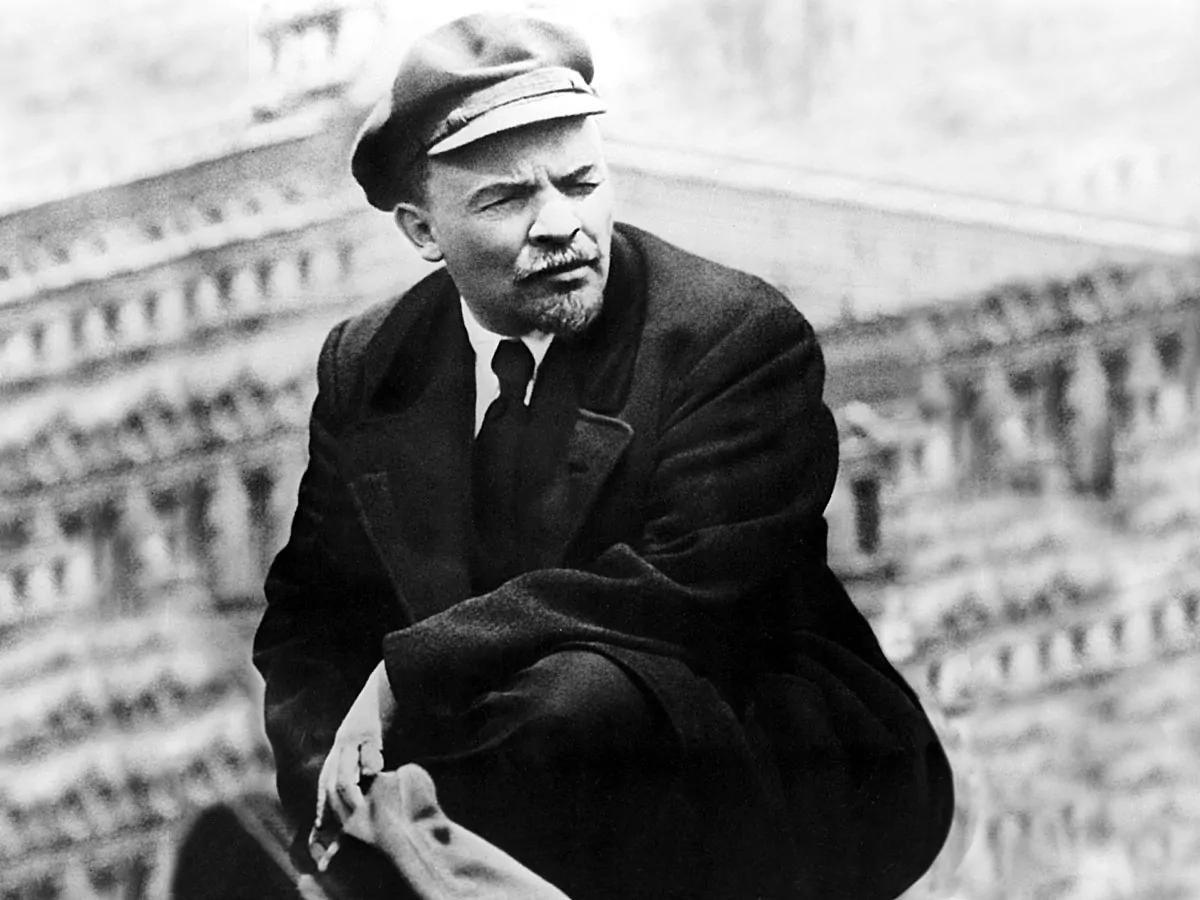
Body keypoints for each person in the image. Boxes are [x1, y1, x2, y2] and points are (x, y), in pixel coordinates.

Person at [252, 12, 954, 900]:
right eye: (505, 200)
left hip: (757, 761)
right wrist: (328, 783)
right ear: (423, 230)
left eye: (581, 182)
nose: (561, 223)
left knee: (575, 701)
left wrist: (407, 673)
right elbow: (310, 620)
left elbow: (680, 590)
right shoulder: (369, 363)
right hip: (502, 765)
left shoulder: (731, 335)